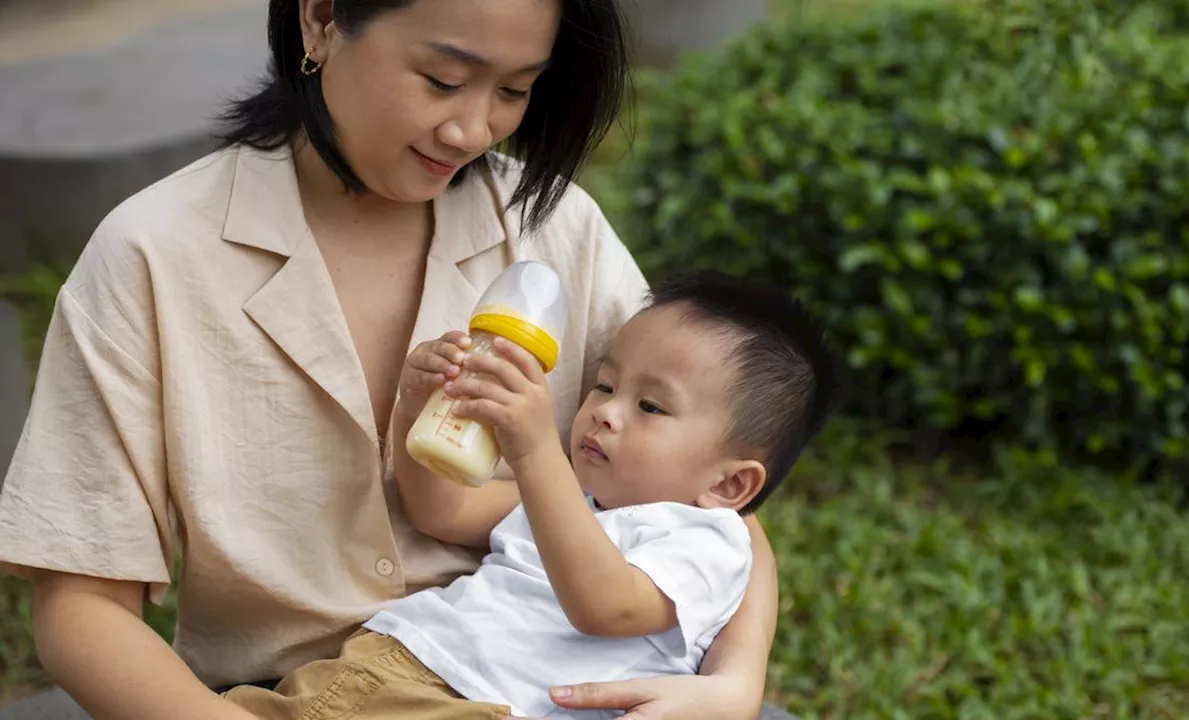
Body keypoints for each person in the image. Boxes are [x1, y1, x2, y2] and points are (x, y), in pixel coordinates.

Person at [0, 1, 786, 719]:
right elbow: (82, 605)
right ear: (319, 20)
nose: (473, 130)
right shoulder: (155, 254)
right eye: (444, 80)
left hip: (542, 690)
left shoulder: (555, 228)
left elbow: (710, 499)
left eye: (514, 91)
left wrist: (735, 684)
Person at [221, 271, 842, 720]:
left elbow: (608, 606)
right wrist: (422, 408)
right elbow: (443, 510)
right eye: (604, 385)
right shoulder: (571, 496)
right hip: (388, 662)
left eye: (650, 406)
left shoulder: (708, 542)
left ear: (730, 484)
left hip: (489, 705)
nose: (604, 413)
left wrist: (537, 451)